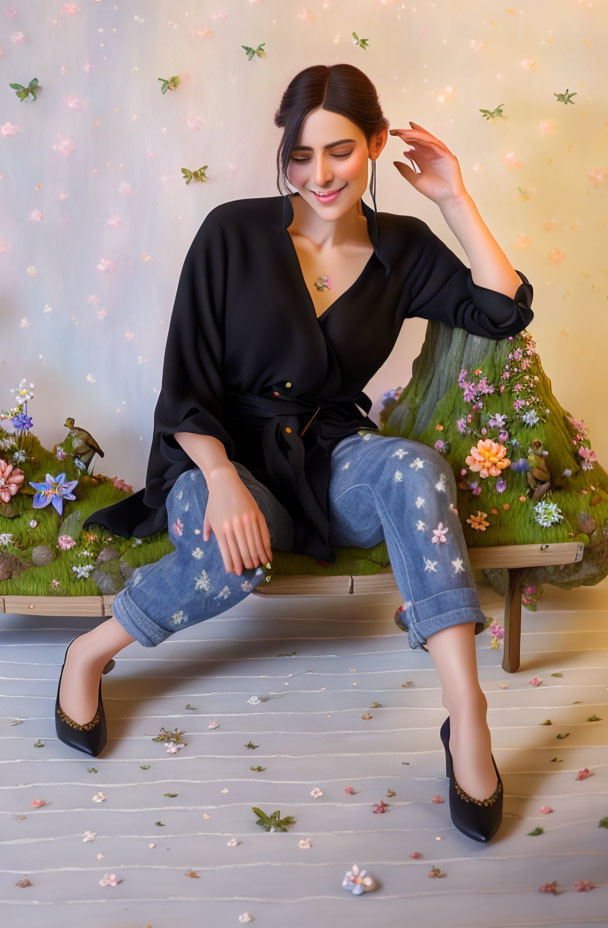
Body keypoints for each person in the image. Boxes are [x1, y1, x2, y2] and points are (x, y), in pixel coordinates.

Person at [56, 64, 534, 841]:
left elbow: (500, 310)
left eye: (341, 152)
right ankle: (91, 651)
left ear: (377, 144)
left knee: (416, 469)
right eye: (301, 156)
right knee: (228, 555)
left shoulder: (402, 248)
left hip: (329, 461)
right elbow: (184, 385)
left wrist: (452, 197)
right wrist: (219, 477)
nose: (320, 176)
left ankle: (467, 714)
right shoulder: (232, 232)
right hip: (216, 453)